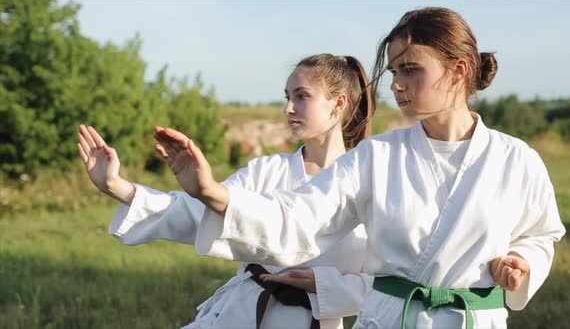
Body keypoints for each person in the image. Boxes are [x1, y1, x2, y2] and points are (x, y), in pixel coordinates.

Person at [152, 7, 566, 329]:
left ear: (458, 71)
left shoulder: (516, 159)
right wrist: (212, 191)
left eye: (411, 69)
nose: (397, 84)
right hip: (388, 319)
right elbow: (299, 218)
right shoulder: (376, 157)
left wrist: (523, 261)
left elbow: (541, 233)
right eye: (393, 71)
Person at [78, 53, 376, 329]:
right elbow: (201, 211)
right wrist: (117, 186)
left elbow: (386, 285)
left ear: (338, 103)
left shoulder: (369, 183)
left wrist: (325, 285)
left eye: (302, 96)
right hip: (238, 314)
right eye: (288, 97)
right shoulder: (267, 170)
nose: (288, 108)